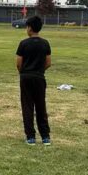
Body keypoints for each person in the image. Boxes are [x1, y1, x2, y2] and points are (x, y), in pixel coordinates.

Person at [16, 16, 52, 145]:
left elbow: (19, 63)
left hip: (26, 77)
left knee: (27, 106)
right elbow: (48, 63)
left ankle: (30, 137)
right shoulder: (45, 43)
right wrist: (39, 71)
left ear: (30, 28)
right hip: (39, 77)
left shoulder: (23, 43)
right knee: (41, 106)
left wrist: (24, 72)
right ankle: (45, 137)